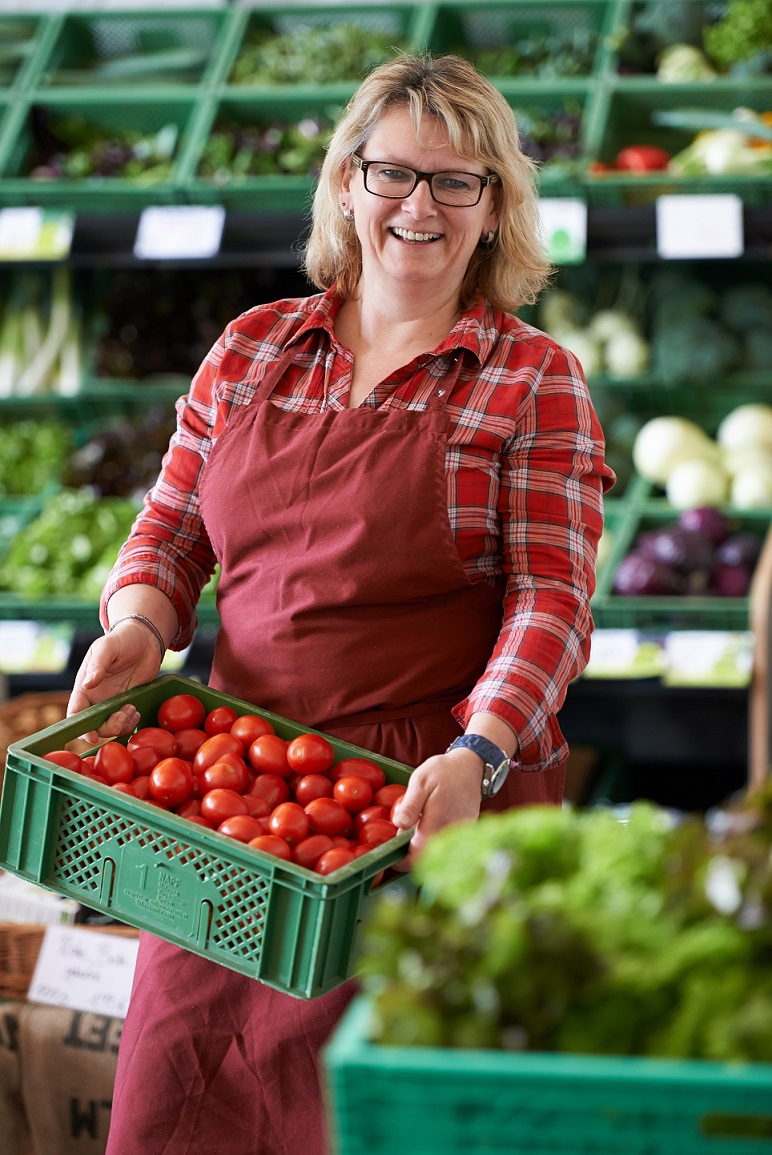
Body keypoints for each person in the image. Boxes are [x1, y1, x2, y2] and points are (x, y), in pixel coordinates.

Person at [68, 52, 614, 1155]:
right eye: (393, 173)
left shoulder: (531, 379)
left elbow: (550, 604)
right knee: (182, 1099)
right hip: (238, 797)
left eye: (457, 182)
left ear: (493, 207)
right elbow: (173, 527)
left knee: (385, 1119)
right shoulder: (256, 347)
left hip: (429, 802)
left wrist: (482, 750)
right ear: (347, 184)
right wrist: (136, 620)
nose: (419, 206)